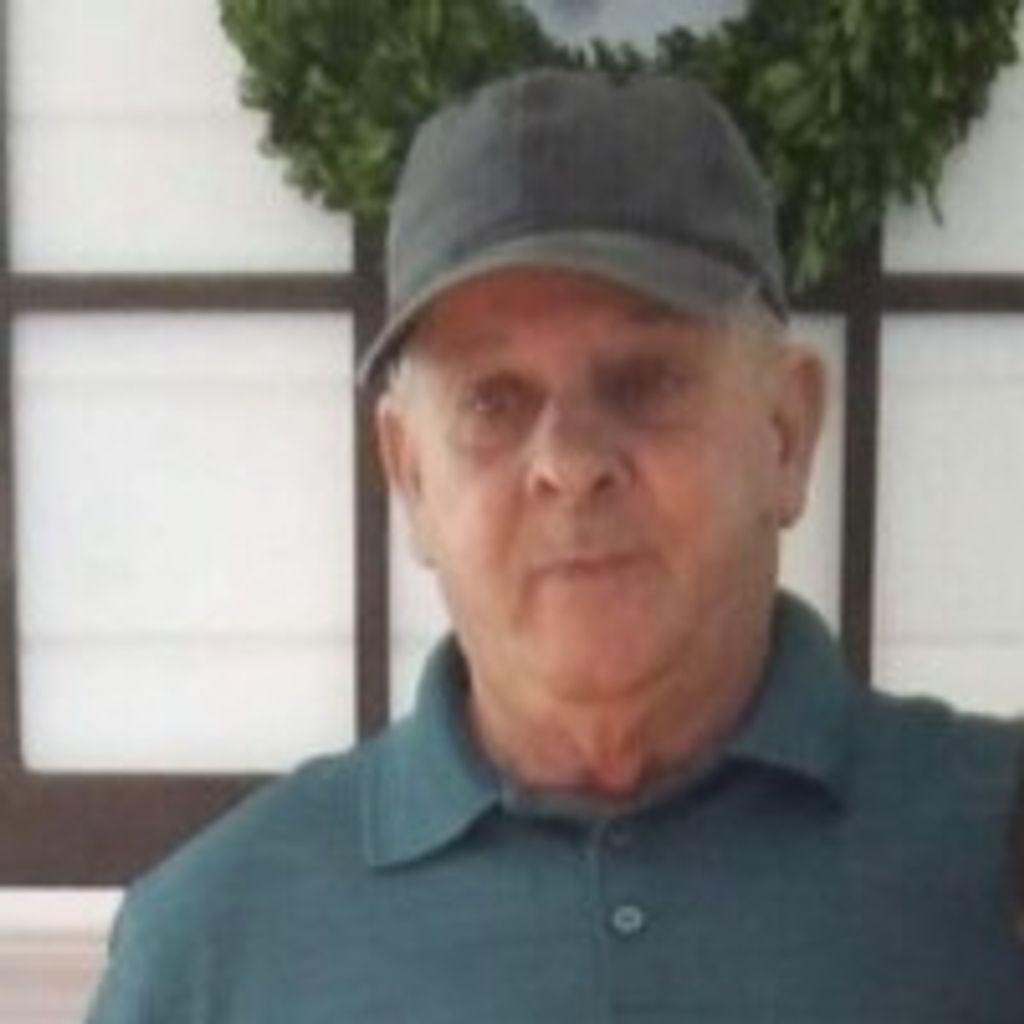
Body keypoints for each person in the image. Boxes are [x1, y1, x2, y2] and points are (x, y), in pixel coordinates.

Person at [85, 68, 1024, 1022]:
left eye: (646, 380)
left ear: (786, 432)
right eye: (494, 400)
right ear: (410, 474)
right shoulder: (216, 945)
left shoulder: (997, 858)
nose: (570, 464)